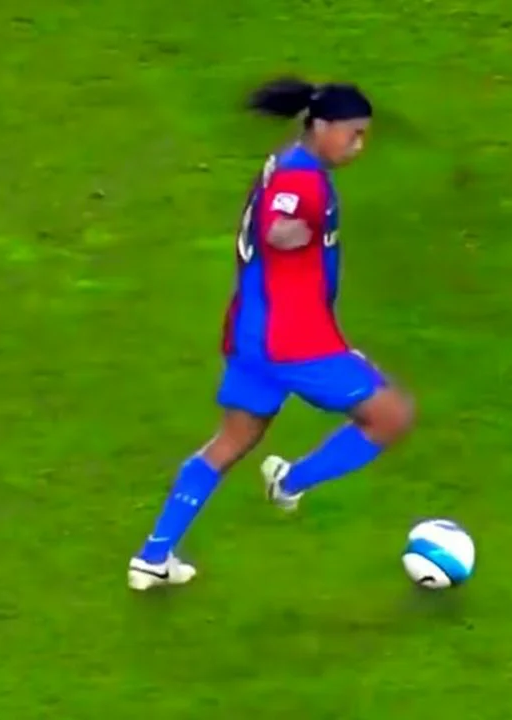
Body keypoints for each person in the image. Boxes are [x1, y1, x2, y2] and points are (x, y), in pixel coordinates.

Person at [128, 77, 415, 590]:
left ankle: (154, 555)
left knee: (231, 441)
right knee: (391, 416)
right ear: (321, 126)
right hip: (294, 340)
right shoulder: (299, 180)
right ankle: (290, 480)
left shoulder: (287, 163)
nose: (359, 145)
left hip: (254, 331)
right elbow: (279, 223)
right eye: (353, 133)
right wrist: (287, 234)